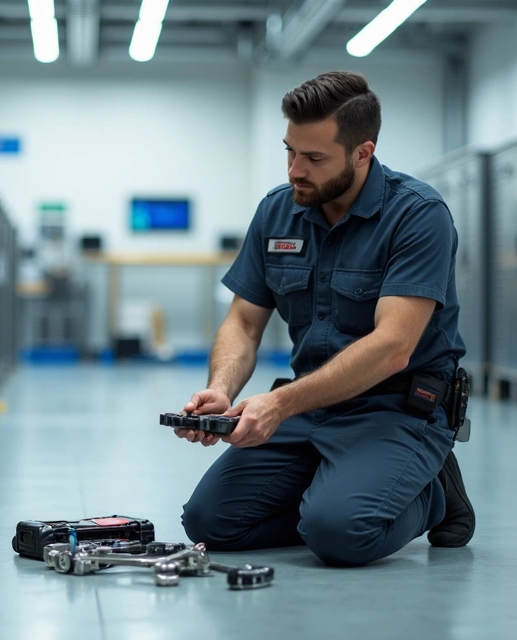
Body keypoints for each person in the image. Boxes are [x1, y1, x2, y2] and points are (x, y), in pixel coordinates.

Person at [175, 70, 475, 567]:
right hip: (312, 405)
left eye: (314, 158)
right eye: (290, 151)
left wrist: (277, 404)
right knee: (210, 523)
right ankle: (339, 492)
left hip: (397, 409)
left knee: (340, 534)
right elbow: (243, 323)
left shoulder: (418, 215)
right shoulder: (277, 212)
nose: (295, 169)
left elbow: (393, 347)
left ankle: (432, 492)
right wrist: (222, 389)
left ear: (362, 153)